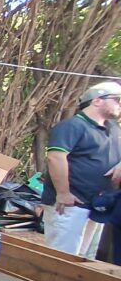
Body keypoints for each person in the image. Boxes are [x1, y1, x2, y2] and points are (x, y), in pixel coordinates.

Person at [41, 81, 121, 257]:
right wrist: (63, 192)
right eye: (117, 99)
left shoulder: (113, 129)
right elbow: (55, 157)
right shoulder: (72, 126)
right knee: (62, 258)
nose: (120, 104)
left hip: (98, 206)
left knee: (85, 261)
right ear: (97, 100)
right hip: (70, 204)